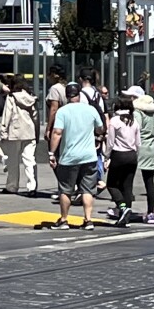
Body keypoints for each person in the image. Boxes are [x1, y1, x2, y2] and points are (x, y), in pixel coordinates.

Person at [48, 81, 103, 230]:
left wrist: (52, 153)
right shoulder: (90, 110)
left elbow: (57, 133)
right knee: (87, 189)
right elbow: (100, 128)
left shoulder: (62, 112)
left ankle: (64, 220)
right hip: (89, 156)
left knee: (66, 190)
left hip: (69, 157)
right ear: (79, 95)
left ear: (67, 96)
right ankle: (88, 219)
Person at [104, 94, 141, 227]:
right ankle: (126, 218)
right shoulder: (134, 121)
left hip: (118, 155)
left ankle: (122, 206)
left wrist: (106, 156)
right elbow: (138, 143)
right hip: (132, 155)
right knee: (127, 186)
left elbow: (110, 142)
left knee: (112, 184)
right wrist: (136, 154)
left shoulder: (115, 121)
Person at [0, 74, 38, 195]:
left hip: (14, 132)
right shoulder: (31, 97)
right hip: (29, 132)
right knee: (29, 160)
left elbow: (7, 115)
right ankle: (32, 186)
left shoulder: (11, 97)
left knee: (13, 161)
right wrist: (36, 132)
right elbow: (35, 116)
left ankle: (12, 186)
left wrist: (3, 132)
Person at [134, 88, 154, 224]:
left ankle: (124, 208)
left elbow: (135, 129)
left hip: (138, 149)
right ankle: (151, 213)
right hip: (150, 149)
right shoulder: (153, 115)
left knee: (127, 180)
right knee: (149, 182)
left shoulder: (138, 113)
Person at [45, 65, 68, 143]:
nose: (48, 77)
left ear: (54, 75)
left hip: (56, 124)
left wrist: (48, 128)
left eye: (49, 74)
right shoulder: (66, 87)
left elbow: (54, 109)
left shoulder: (54, 88)